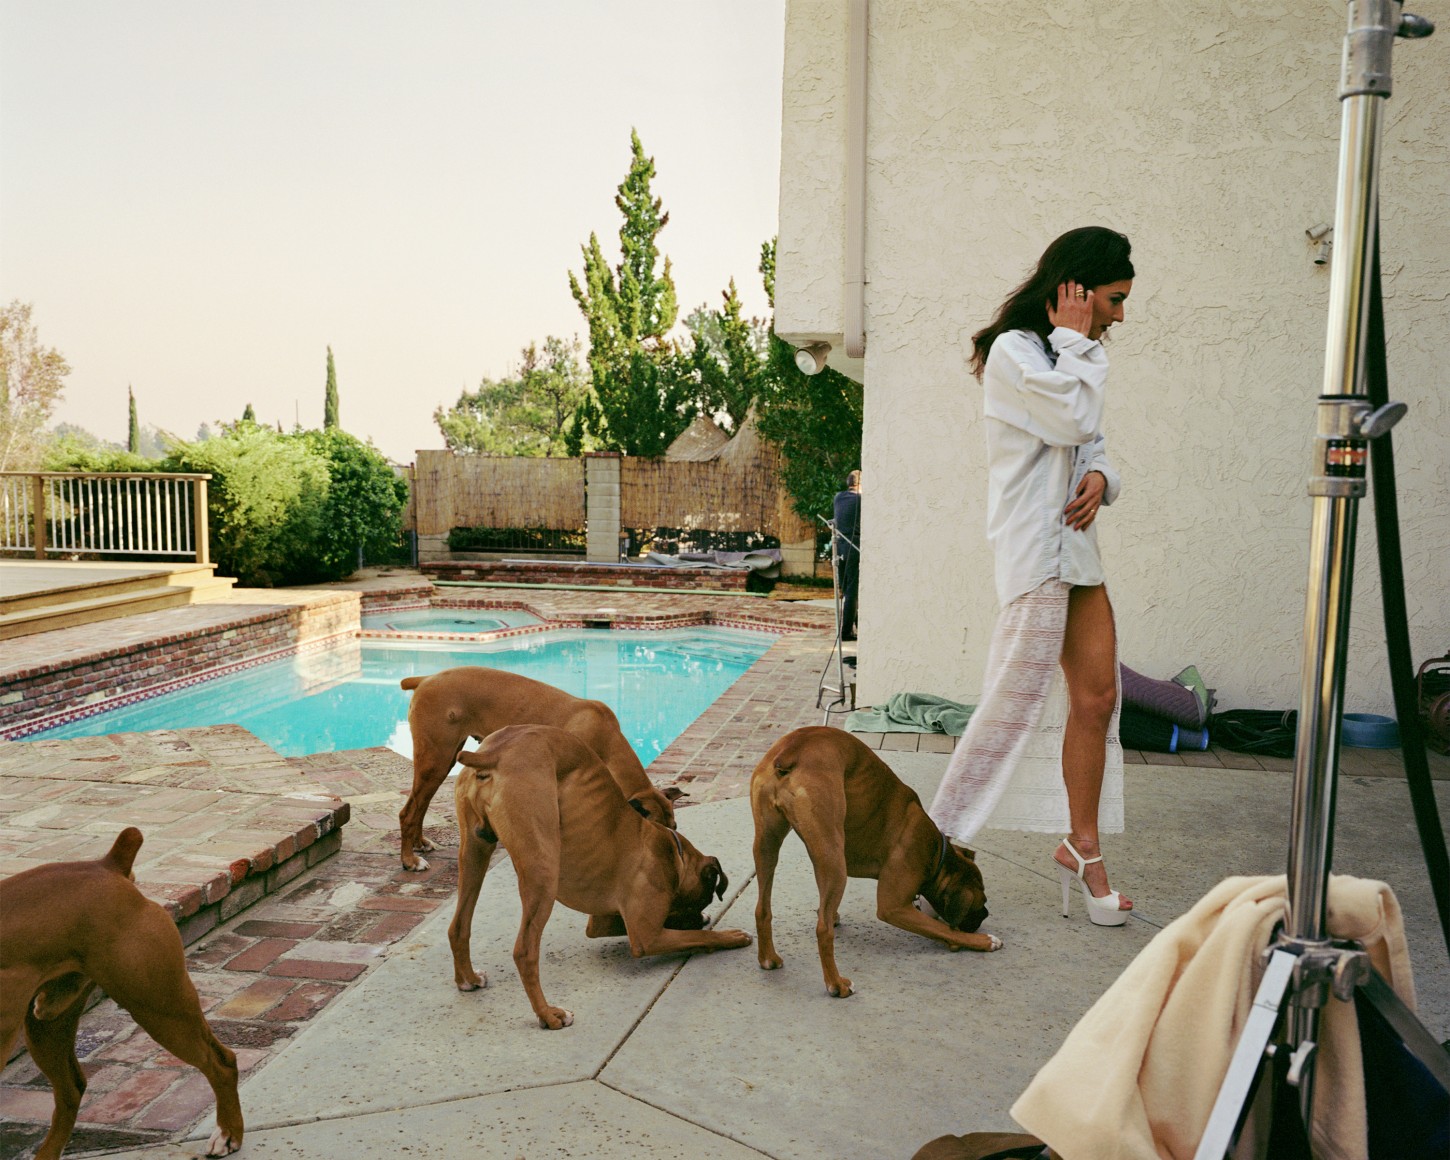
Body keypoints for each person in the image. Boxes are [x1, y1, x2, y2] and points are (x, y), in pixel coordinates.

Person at [927, 226, 1135, 926]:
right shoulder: (1016, 352)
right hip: (1034, 551)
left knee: (1099, 698)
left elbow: (1094, 439)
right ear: (1074, 289)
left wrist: (1103, 477)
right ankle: (933, 841)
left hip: (1076, 553)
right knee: (1011, 704)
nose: (1119, 315)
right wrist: (1077, 344)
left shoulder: (1071, 354)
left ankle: (1083, 846)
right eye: (1112, 298)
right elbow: (1073, 418)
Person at [832, 469, 862, 642]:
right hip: (854, 545)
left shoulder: (838, 497)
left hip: (841, 546)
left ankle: (858, 625)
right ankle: (846, 632)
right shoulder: (861, 500)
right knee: (853, 591)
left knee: (847, 589)